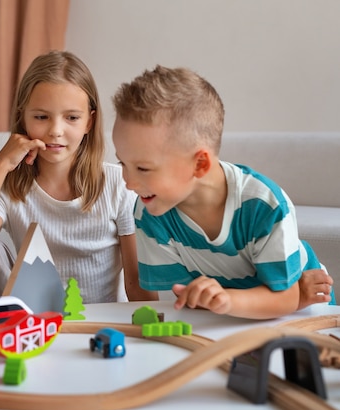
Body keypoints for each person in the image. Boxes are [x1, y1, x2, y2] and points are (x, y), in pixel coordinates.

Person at [111, 65, 334, 319]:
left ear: (200, 164)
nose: (128, 182)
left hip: (307, 312)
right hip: (230, 316)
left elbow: (290, 297)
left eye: (142, 168)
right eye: (123, 164)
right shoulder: (150, 210)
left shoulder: (262, 204)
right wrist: (215, 300)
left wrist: (228, 299)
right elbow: (190, 300)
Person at [0, 50, 157, 304]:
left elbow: (136, 282)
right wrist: (0, 164)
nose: (55, 131)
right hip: (37, 325)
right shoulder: (12, 186)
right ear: (23, 118)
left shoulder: (119, 184)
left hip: (99, 325)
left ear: (89, 122)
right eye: (41, 117)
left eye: (72, 118)